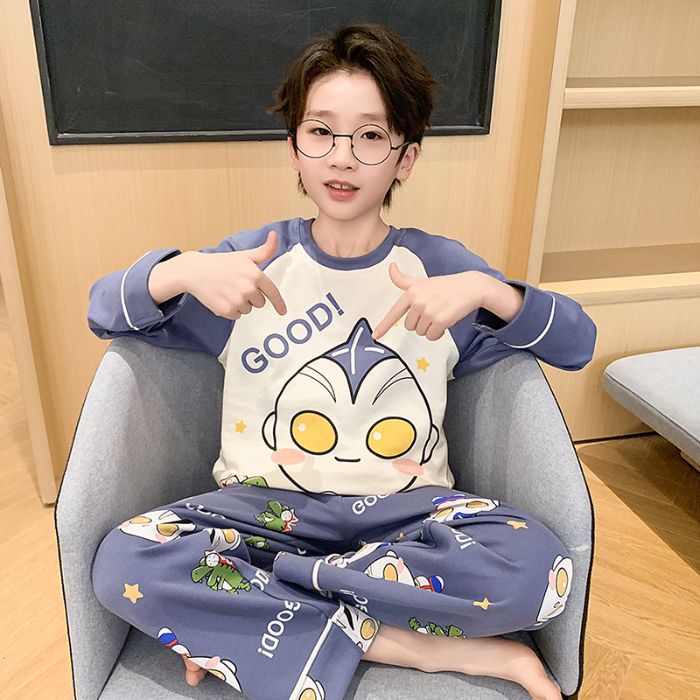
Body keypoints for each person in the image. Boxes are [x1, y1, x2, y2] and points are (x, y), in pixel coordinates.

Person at [88, 23, 595, 700]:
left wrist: (489, 292)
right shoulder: (250, 260)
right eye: (320, 132)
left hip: (406, 520)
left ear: (406, 158)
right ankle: (410, 644)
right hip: (261, 517)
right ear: (293, 148)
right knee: (125, 557)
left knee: (541, 568)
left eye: (371, 136)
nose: (343, 158)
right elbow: (102, 312)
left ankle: (251, 619)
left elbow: (578, 344)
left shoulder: (442, 268)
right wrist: (179, 272)